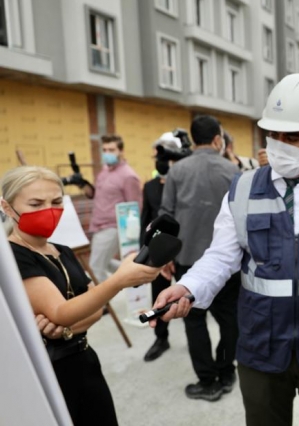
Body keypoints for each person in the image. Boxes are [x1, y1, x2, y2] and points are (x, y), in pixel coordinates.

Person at [152, 73, 299, 426]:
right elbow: (221, 256)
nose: (278, 144)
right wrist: (189, 287)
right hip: (261, 348)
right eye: (273, 135)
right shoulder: (243, 188)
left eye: (291, 137)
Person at [1, 166, 160, 426]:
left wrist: (65, 328)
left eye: (55, 201)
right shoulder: (12, 256)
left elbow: (95, 309)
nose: (48, 210)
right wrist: (119, 280)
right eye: (35, 203)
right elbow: (61, 312)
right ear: (7, 207)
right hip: (49, 371)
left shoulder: (62, 250)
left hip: (84, 360)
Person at [160, 115, 241, 401]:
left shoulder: (176, 171)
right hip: (228, 262)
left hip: (188, 259)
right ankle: (227, 370)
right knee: (230, 319)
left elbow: (166, 217)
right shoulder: (233, 170)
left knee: (194, 322)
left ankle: (208, 381)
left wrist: (163, 256)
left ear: (193, 139)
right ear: (218, 138)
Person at [142, 133, 181, 362]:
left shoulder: (186, 182)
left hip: (186, 250)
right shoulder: (149, 186)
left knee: (191, 298)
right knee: (158, 296)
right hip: (158, 253)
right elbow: (146, 220)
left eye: (164, 153)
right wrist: (145, 253)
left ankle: (198, 338)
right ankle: (160, 337)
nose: (160, 158)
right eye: (157, 153)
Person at [87, 135, 142, 283]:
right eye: (104, 150)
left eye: (111, 149)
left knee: (94, 268)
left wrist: (130, 235)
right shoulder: (104, 171)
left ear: (121, 151)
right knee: (103, 262)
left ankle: (101, 304)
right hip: (97, 225)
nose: (107, 153)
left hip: (112, 227)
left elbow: (135, 207)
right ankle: (135, 274)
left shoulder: (128, 176)